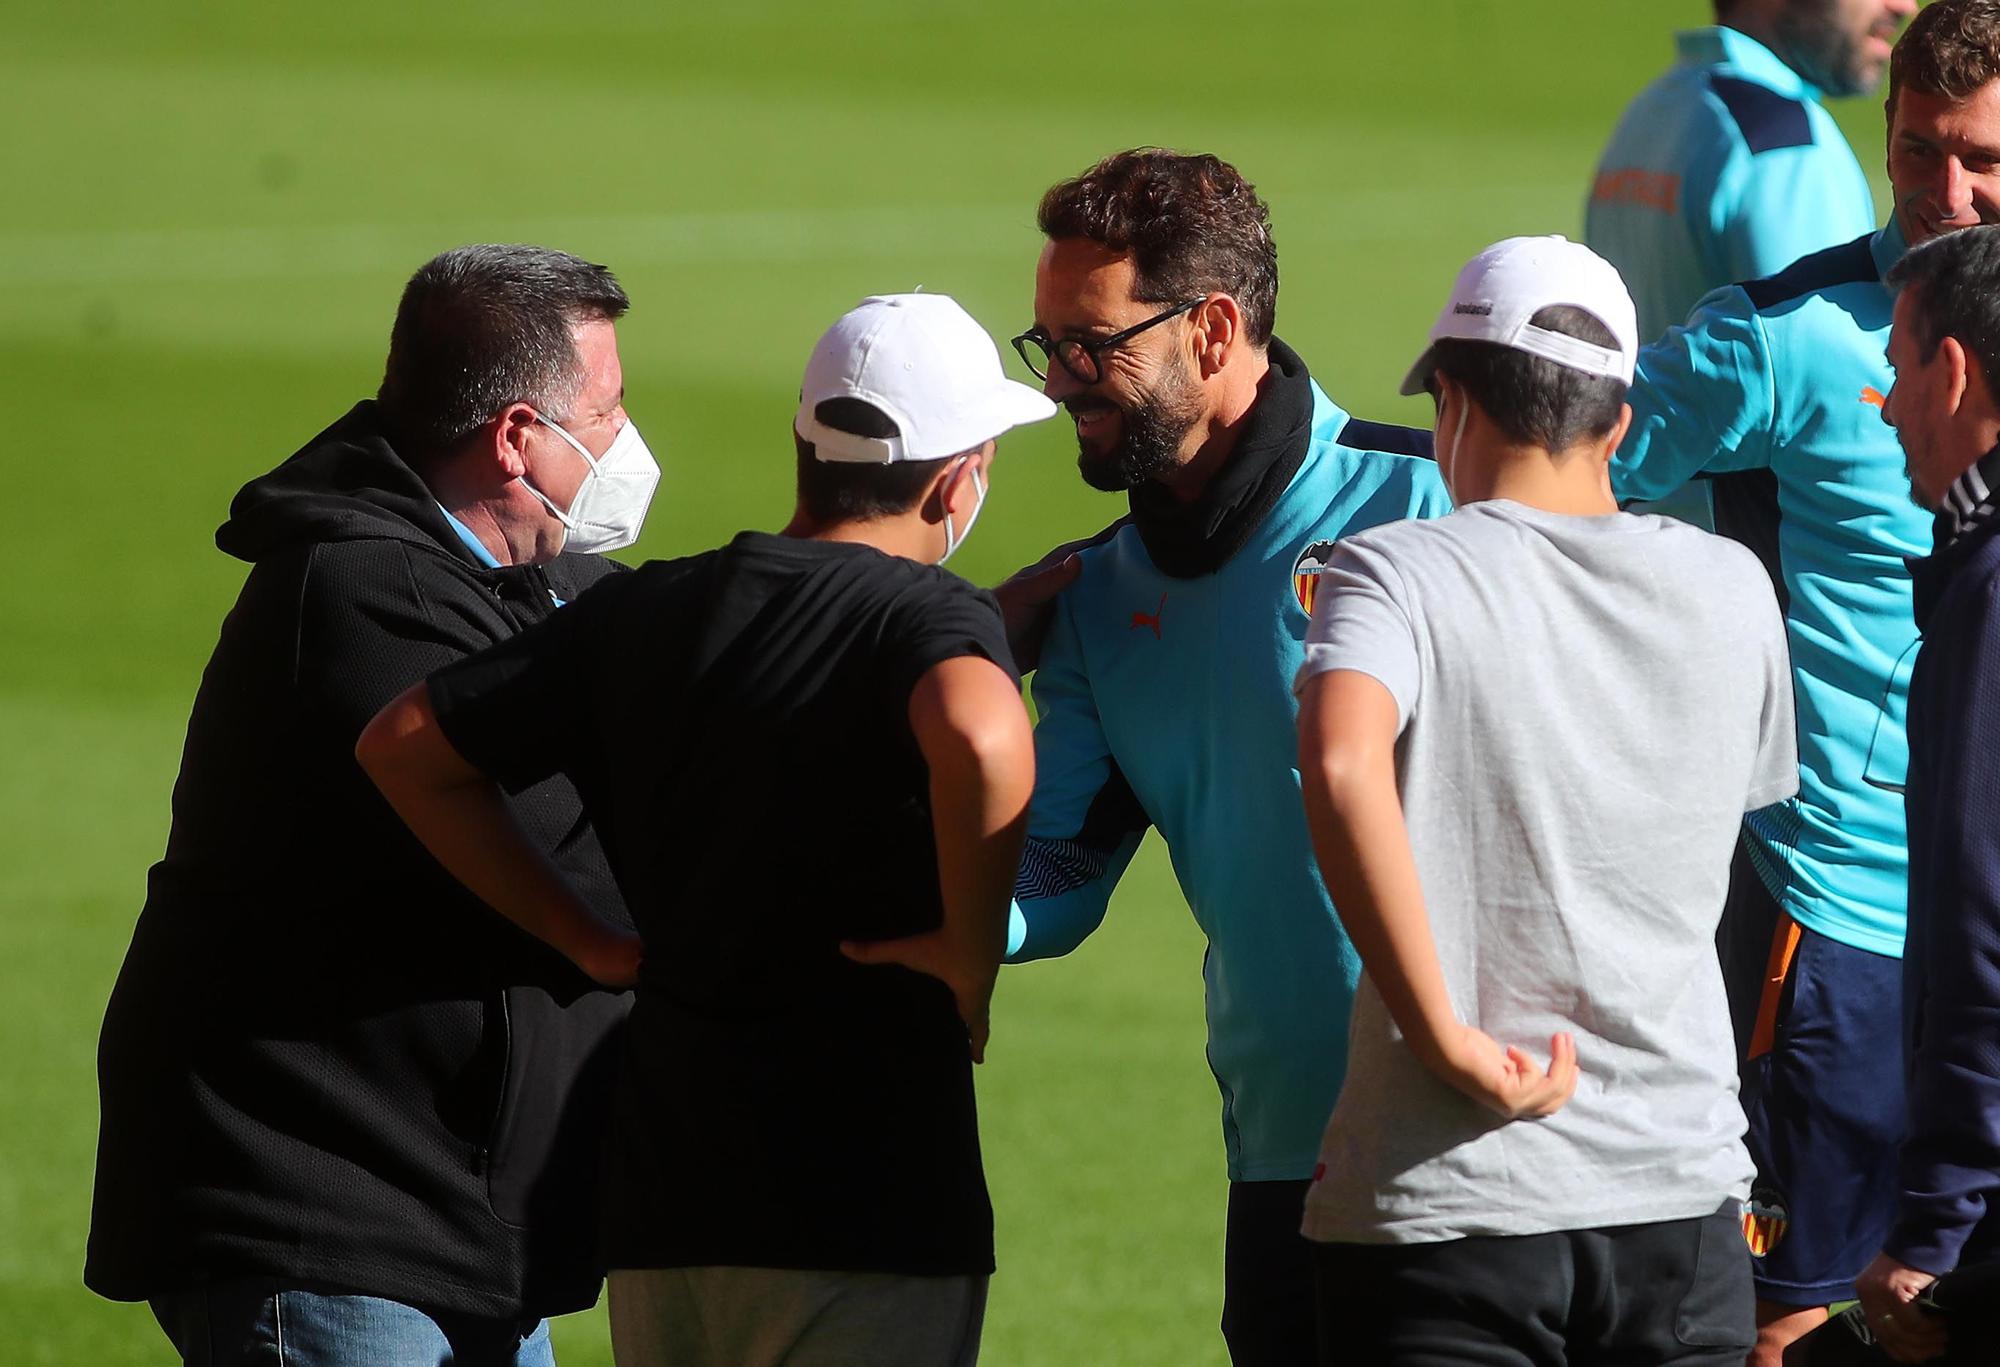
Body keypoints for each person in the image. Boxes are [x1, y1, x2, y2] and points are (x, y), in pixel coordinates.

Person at [356, 293, 1049, 1367]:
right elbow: (982, 733)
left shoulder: (648, 606)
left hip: (668, 1206)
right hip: (871, 1205)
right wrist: (970, 951)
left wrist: (581, 936)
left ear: (806, 445)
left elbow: (404, 745)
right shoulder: (928, 614)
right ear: (959, 477)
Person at [84, 244, 654, 1365]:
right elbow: (584, 856)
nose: (627, 441)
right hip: (331, 1218)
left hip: (453, 1216)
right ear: (516, 435)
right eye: (609, 407)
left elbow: (708, 661)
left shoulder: (525, 571)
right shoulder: (362, 593)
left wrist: (933, 636)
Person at [1294, 235, 1796, 1367]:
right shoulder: (1730, 583)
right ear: (1616, 425)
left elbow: (1335, 762)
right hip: (1679, 1191)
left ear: (1451, 402)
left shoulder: (1390, 570)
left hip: (1446, 1194)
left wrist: (1445, 1038)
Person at [1001, 148, 1452, 1365]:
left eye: (1093, 344)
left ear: (1211, 328)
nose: (1062, 385)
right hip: (1282, 1168)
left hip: (1479, 1156)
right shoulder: (1092, 596)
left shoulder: (1429, 506)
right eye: (1046, 345)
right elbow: (1052, 879)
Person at [1608, 4, 2000, 1359]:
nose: (1945, 197)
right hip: (1837, 919)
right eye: (1915, 156)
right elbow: (1545, 480)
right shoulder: (1780, 338)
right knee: (1791, 1318)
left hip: (1986, 943)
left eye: (1981, 161)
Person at [1824, 224, 2000, 1367]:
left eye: (1895, 365)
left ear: (1948, 369)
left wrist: (1939, 1219)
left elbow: (1981, 923)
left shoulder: (1988, 591)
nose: (1884, 406)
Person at [1588, 0, 1913, 528]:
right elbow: (1835, 397)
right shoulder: (1786, 148)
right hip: (1759, 576)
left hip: (1635, 526)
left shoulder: (1655, 110)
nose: (1903, 5)